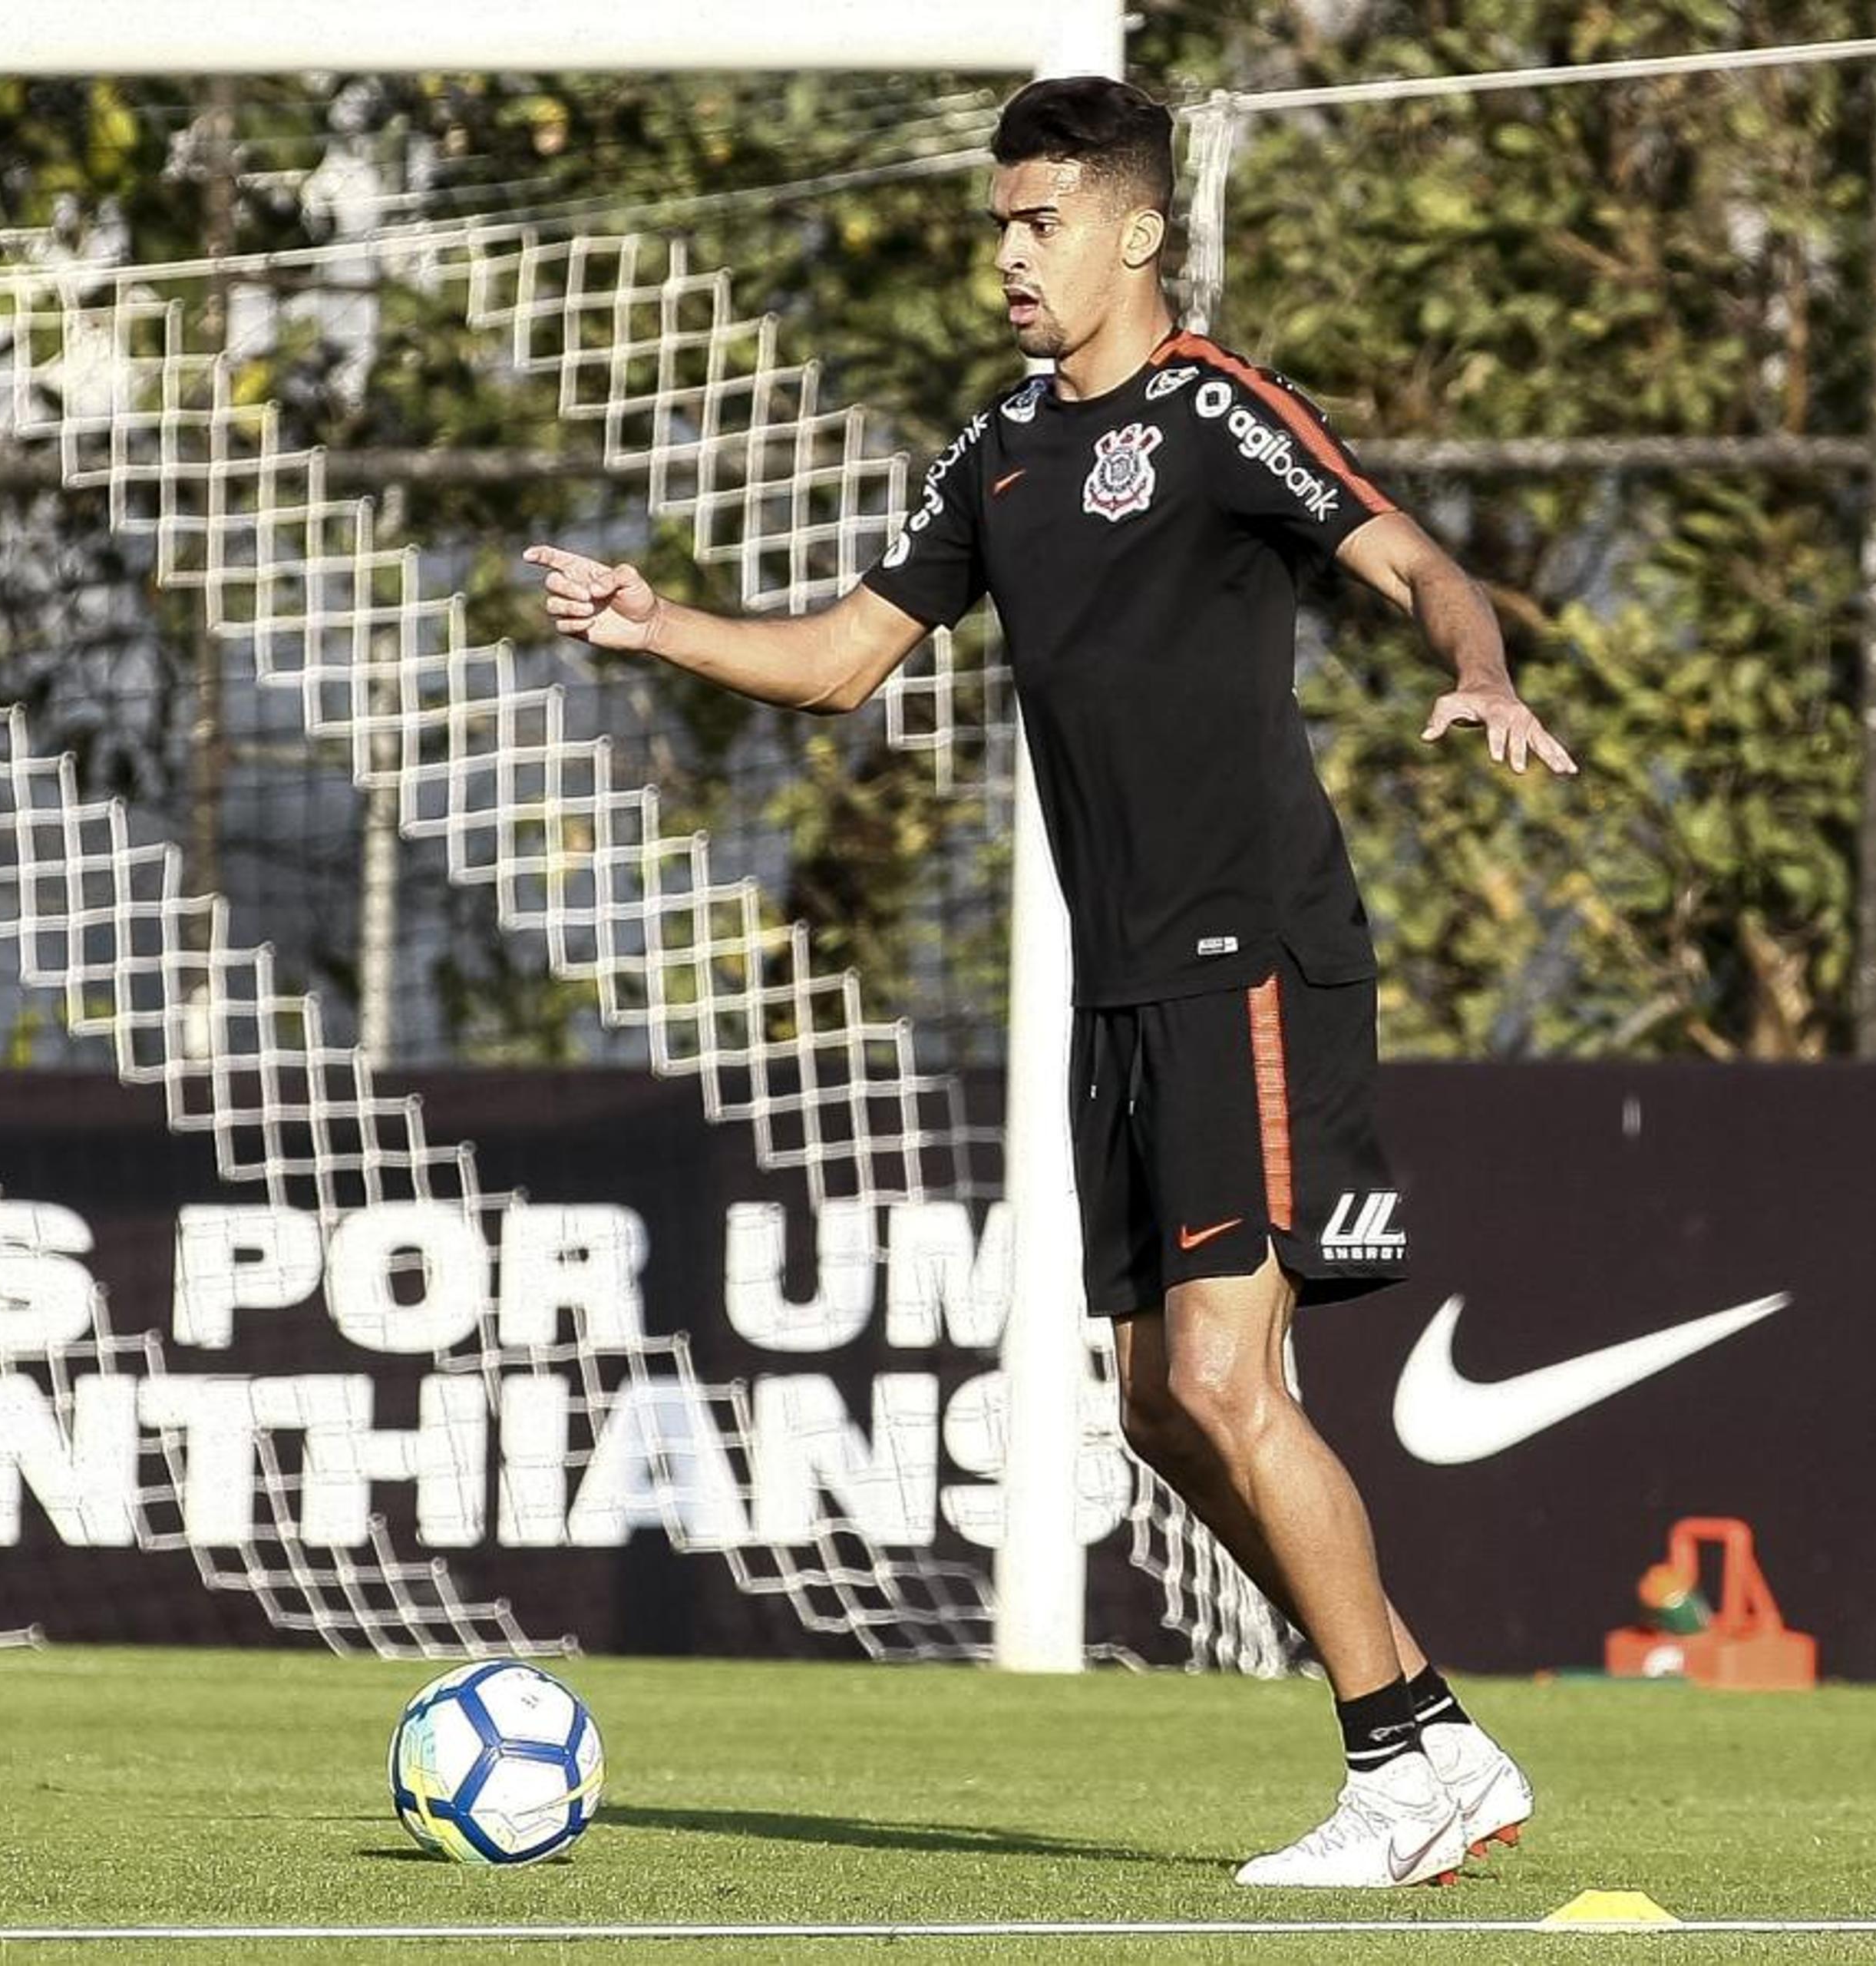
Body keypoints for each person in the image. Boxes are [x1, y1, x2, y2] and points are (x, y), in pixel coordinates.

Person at [526, 74, 1574, 1888]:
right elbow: (851, 658)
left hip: (1251, 946)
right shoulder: (999, 449)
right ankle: (1431, 1726)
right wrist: (658, 621)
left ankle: (1401, 1764)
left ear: (1136, 229)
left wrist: (1477, 669)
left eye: (1042, 222)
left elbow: (1415, 560)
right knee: (1163, 1407)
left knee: (1235, 1385)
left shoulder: (1216, 412)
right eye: (1000, 224)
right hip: (1124, 980)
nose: (1011, 255)